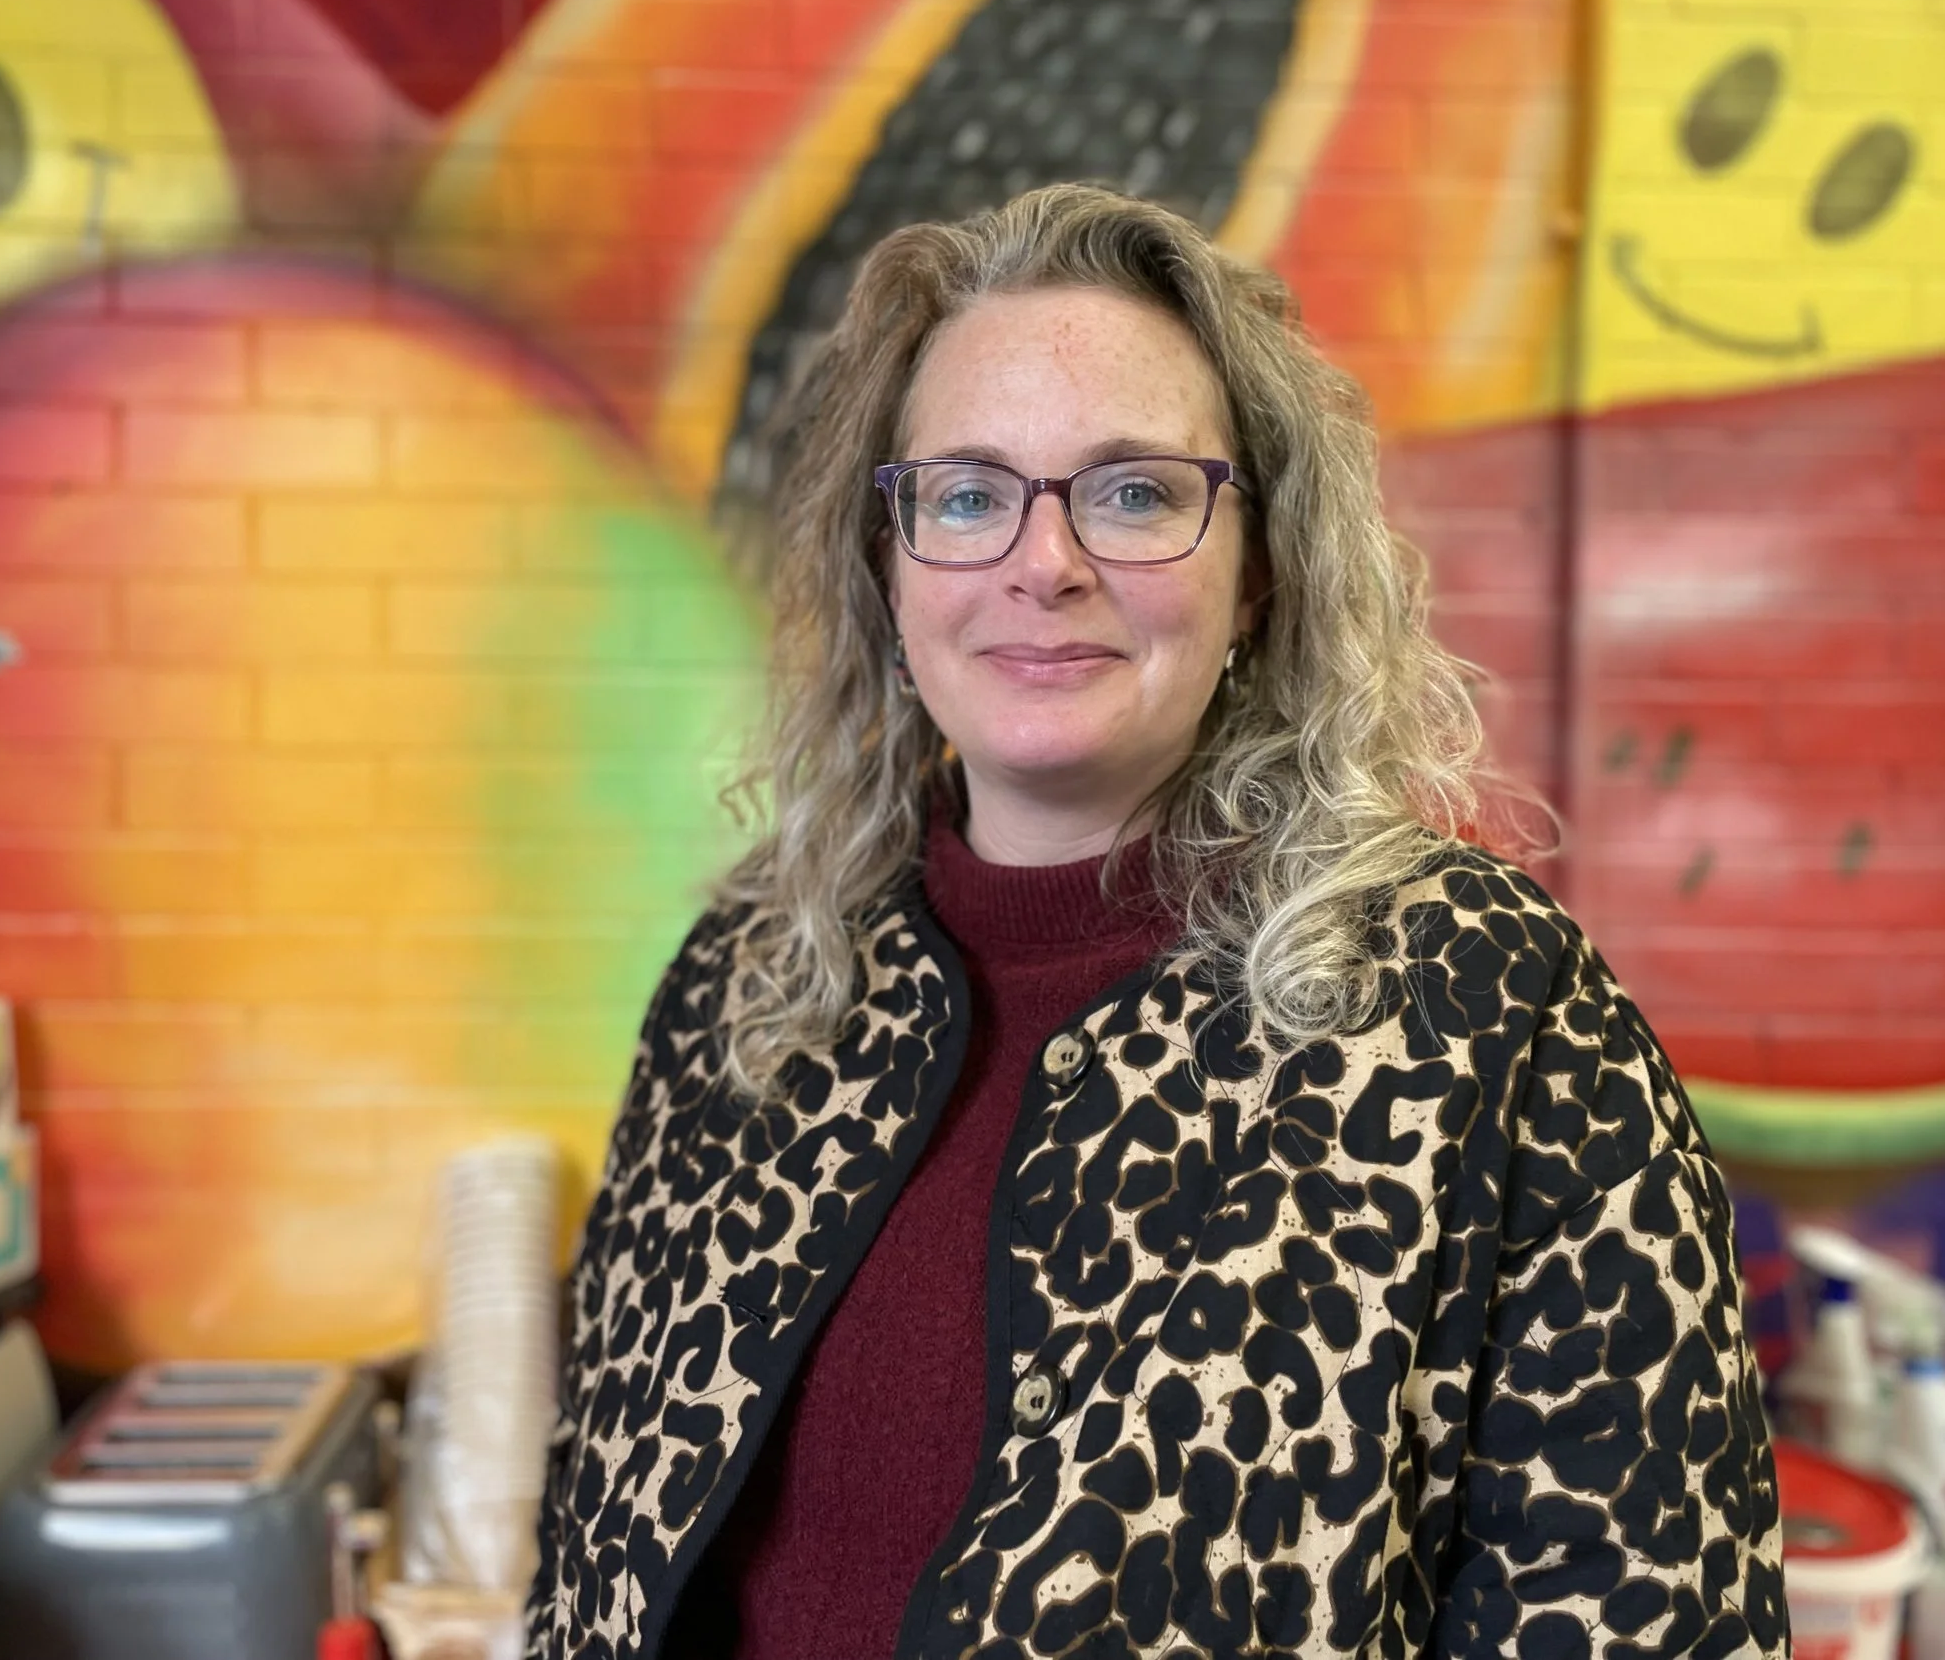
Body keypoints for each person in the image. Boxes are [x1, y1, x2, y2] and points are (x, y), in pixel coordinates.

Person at [527, 184, 1786, 1659]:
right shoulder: (743, 992)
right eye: (968, 492)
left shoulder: (1493, 1022)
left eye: (1133, 491)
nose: (1041, 562)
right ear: (889, 565)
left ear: (1258, 568)